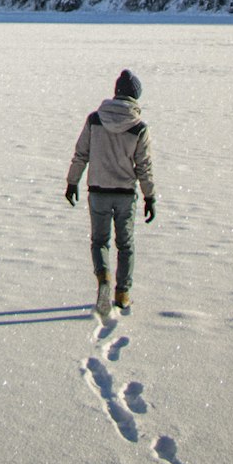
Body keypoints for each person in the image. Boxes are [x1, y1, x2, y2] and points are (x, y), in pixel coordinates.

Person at [65, 69, 156, 314]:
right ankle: (123, 293)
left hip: (98, 191)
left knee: (100, 242)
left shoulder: (95, 119)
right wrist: (149, 197)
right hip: (125, 193)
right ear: (135, 97)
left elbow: (81, 153)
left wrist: (72, 182)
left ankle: (104, 279)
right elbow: (144, 166)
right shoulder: (139, 128)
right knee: (125, 245)